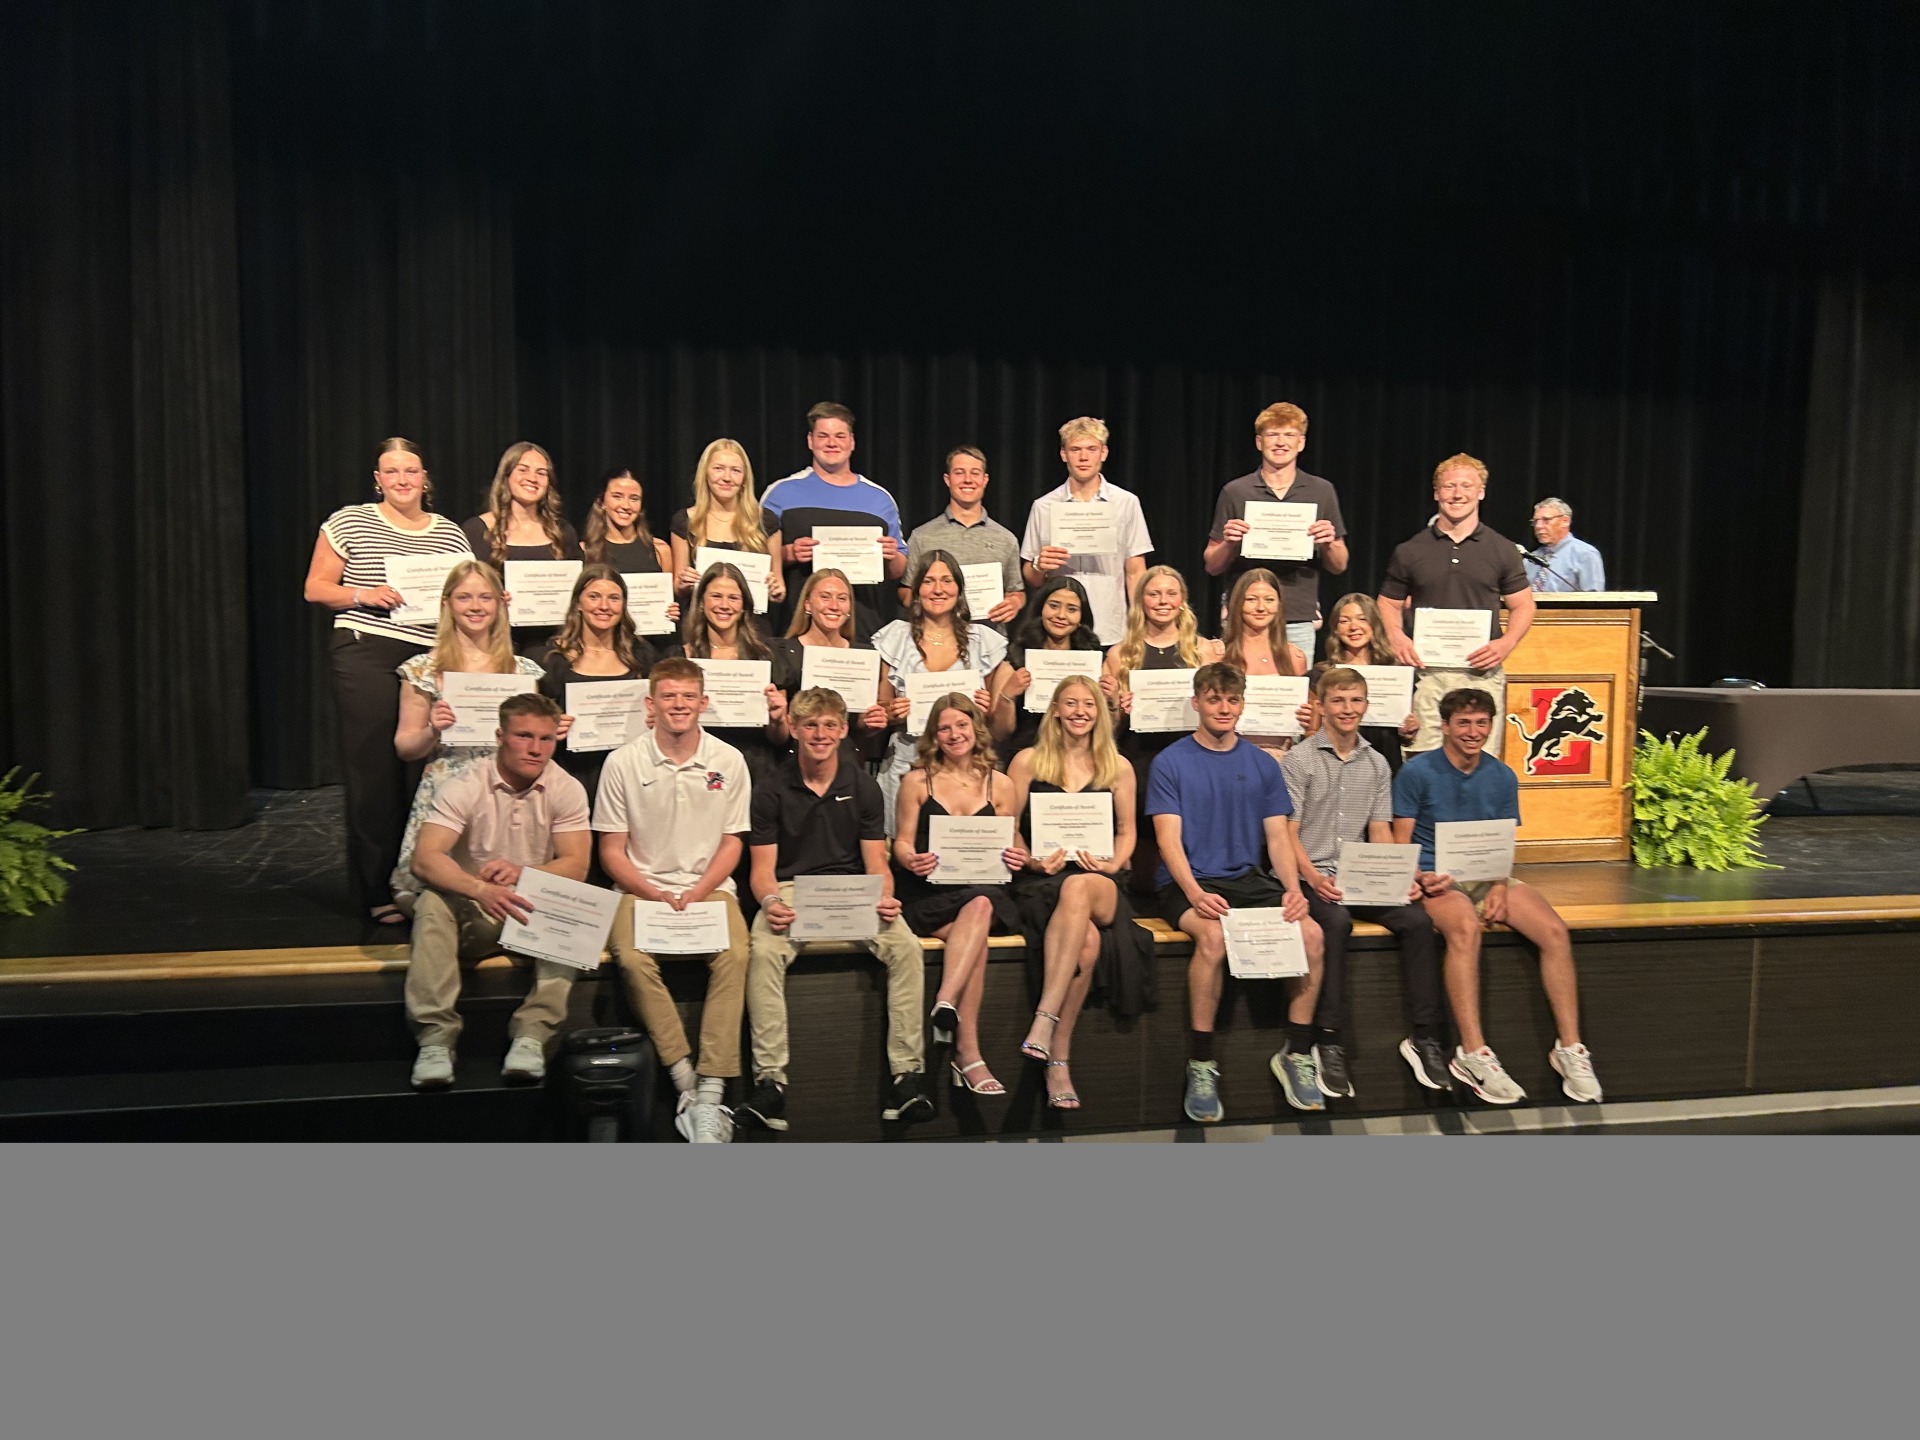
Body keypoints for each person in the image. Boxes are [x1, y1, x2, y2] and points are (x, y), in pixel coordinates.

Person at [1392, 688, 1603, 1105]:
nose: (1473, 732)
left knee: (1555, 932)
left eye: (1481, 723)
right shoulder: (1416, 772)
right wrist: (1421, 875)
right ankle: (1472, 1052)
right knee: (1466, 928)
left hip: (1488, 876)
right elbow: (1401, 844)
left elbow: (1502, 844)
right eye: (1464, 723)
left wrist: (1502, 886)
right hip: (1438, 880)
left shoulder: (1502, 775)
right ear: (1446, 726)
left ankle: (1570, 1048)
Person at [738, 687, 935, 1133]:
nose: (820, 733)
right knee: (764, 949)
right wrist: (769, 901)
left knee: (905, 946)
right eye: (810, 724)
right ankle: (771, 1084)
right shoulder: (770, 789)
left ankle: (907, 1077)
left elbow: (876, 863)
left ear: (844, 730)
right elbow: (762, 872)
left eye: (830, 725)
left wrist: (884, 895)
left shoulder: (863, 787)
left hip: (853, 889)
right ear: (793, 728)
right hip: (792, 889)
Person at [303, 437, 473, 926]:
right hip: (367, 648)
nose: (402, 480)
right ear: (377, 479)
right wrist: (363, 592)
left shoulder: (448, 534)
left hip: (432, 654)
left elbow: (460, 595)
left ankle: (422, 878)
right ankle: (376, 889)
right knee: (374, 770)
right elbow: (315, 588)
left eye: (411, 471)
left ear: (425, 478)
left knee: (426, 770)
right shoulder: (350, 520)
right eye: (391, 471)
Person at [1148, 662, 1327, 1122]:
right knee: (1211, 938)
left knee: (1312, 936)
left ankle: (1297, 1053)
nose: (1223, 708)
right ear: (1197, 703)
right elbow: (1168, 841)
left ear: (1242, 704)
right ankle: (1201, 1062)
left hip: (1248, 880)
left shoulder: (1263, 764)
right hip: (1189, 883)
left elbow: (1277, 837)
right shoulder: (1170, 762)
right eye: (1213, 699)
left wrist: (1293, 889)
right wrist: (1193, 894)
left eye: (1231, 700)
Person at [594, 659, 752, 1144]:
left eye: (688, 697)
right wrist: (655, 892)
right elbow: (610, 852)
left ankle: (711, 1089)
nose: (679, 705)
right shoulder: (622, 762)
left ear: (703, 703)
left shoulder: (729, 760)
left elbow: (733, 842)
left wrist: (698, 891)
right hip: (641, 890)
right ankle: (683, 1076)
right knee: (632, 959)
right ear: (651, 704)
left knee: (738, 955)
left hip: (709, 890)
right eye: (669, 696)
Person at [404, 692, 590, 1090]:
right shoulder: (466, 783)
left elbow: (576, 864)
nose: (535, 748)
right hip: (477, 910)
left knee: (578, 907)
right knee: (433, 902)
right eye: (524, 736)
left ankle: (531, 1037)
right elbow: (425, 858)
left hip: (530, 907)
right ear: (500, 736)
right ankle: (436, 1040)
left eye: (545, 739)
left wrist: (524, 873)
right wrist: (479, 888)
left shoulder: (566, 787)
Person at [1280, 666, 1450, 1100]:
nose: (1347, 709)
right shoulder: (1299, 760)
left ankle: (1426, 1036)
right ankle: (1329, 1039)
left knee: (1416, 921)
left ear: (1366, 706)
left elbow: (1379, 832)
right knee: (1335, 924)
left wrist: (1398, 876)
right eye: (1338, 701)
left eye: (1355, 701)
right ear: (1319, 705)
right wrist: (1314, 878)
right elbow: (1287, 833)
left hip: (1358, 874)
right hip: (1313, 876)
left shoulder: (1376, 763)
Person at [1006, 676, 1155, 1110]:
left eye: (1088, 704)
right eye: (1069, 703)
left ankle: (1043, 1018)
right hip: (1042, 880)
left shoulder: (1118, 767)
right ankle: (1059, 1060)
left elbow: (1127, 832)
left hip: (1101, 881)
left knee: (1080, 886)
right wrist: (1031, 858)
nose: (1079, 711)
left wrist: (1112, 862)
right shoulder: (1027, 762)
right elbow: (1010, 828)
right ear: (1054, 709)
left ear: (1101, 712)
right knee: (1086, 943)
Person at [390, 560, 548, 914]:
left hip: (508, 791)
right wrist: (433, 729)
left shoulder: (521, 671)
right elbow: (405, 747)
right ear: (447, 604)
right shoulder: (423, 669)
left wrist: (552, 732)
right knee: (430, 896)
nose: (475, 607)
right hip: (450, 787)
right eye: (464, 597)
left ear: (499, 604)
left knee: (508, 890)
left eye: (485, 597)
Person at [893, 695, 1028, 1097]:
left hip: (984, 890)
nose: (955, 734)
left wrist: (1019, 853)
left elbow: (1013, 838)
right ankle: (967, 1052)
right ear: (934, 734)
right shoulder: (916, 781)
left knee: (983, 904)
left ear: (976, 729)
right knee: (978, 935)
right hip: (928, 893)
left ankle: (946, 1003)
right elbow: (899, 843)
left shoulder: (1000, 784)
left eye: (962, 725)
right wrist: (911, 859)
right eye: (945, 727)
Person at [1377, 453, 1534, 754]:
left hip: (1481, 676)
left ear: (1481, 492)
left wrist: (1507, 643)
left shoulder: (1502, 549)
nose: (1457, 494)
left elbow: (1524, 605)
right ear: (1436, 493)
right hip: (1428, 674)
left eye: (1466, 486)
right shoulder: (1410, 550)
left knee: (1479, 768)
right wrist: (1396, 636)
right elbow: (1387, 602)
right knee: (1423, 764)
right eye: (1449, 486)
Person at [1101, 565, 1223, 893]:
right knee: (1143, 832)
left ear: (1182, 600)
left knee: (1190, 831)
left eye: (1171, 593)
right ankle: (1144, 898)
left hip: (1191, 756)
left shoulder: (1204, 650)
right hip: (1140, 757)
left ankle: (1188, 892)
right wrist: (1116, 707)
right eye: (1154, 594)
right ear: (1141, 600)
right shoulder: (1119, 654)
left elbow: (1216, 710)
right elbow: (1108, 729)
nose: (1162, 601)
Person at [873, 550, 1006, 832]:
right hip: (908, 763)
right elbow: (879, 711)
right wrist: (893, 712)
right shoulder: (895, 636)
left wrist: (986, 708)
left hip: (967, 772)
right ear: (917, 590)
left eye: (946, 581)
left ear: (959, 590)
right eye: (929, 581)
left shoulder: (983, 641)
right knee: (906, 854)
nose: (938, 589)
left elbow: (996, 723)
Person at [1203, 402, 1349, 656]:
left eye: (1289, 435)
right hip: (1243, 615)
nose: (1280, 442)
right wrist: (1229, 543)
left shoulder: (1321, 491)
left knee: (1293, 689)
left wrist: (1328, 543)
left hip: (1297, 616)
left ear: (1301, 443)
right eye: (1272, 434)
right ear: (1259, 442)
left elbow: (1339, 565)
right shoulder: (1236, 491)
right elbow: (1212, 565)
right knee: (1238, 689)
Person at [763, 402, 907, 634]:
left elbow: (899, 569)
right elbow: (753, 558)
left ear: (852, 442)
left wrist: (891, 557)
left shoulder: (880, 499)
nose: (832, 443)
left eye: (840, 436)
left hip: (863, 628)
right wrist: (787, 553)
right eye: (823, 436)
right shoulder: (780, 493)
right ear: (810, 441)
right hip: (796, 629)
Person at [1020, 416, 1154, 646]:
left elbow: (1135, 571)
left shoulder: (1126, 503)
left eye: (1091, 449)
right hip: (1059, 632)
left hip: (1111, 628)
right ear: (1064, 454)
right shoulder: (1044, 506)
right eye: (1075, 449)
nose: (1083, 457)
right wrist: (1039, 565)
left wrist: (1140, 624)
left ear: (1103, 453)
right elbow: (1032, 577)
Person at [535, 566, 660, 810]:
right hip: (573, 775)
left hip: (634, 778)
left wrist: (658, 717)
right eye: (594, 596)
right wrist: (551, 726)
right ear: (578, 603)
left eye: (614, 598)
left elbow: (660, 706)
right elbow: (535, 722)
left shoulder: (643, 656)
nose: (604, 606)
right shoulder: (552, 659)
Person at [664, 561, 790, 786]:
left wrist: (778, 718)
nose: (724, 605)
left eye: (733, 598)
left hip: (753, 769)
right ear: (701, 602)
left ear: (744, 606)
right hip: (694, 769)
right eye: (716, 596)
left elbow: (779, 737)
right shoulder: (680, 658)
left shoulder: (765, 658)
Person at [461, 442, 584, 656]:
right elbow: (460, 591)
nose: (533, 479)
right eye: (523, 469)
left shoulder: (563, 532)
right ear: (506, 475)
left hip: (555, 646)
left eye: (541, 473)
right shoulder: (476, 530)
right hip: (493, 643)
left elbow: (582, 588)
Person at [768, 567, 889, 762]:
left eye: (842, 598)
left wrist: (869, 724)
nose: (834, 606)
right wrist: (777, 719)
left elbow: (858, 728)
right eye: (825, 597)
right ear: (807, 604)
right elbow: (778, 735)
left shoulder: (865, 656)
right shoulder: (782, 652)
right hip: (792, 763)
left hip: (846, 764)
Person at [903, 446, 1025, 632]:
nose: (968, 480)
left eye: (975, 473)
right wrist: (930, 601)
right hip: (935, 639)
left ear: (985, 480)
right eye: (959, 473)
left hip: (989, 639)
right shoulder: (922, 536)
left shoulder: (1006, 538)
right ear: (947, 479)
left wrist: (1014, 603)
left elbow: (1016, 590)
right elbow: (905, 590)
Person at [985, 575, 1101, 760]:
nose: (1061, 615)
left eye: (1072, 609)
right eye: (1054, 606)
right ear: (1041, 608)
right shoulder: (1014, 659)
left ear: (1081, 617)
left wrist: (1112, 701)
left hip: (1083, 757)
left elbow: (1109, 728)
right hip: (1028, 756)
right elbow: (999, 733)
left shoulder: (1094, 661)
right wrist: (1008, 695)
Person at [1309, 592, 1418, 773]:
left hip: (1385, 763)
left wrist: (1409, 730)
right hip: (1333, 766)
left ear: (1375, 625)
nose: (1354, 627)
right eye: (1345, 621)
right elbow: (1311, 731)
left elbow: (1405, 733)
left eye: (1362, 619)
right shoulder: (1320, 675)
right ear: (1335, 628)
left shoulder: (1398, 675)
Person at [669, 438, 784, 608]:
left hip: (751, 626)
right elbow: (679, 589)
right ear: (705, 473)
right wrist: (683, 584)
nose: (727, 478)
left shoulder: (766, 521)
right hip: (702, 626)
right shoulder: (685, 521)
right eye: (718, 469)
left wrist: (776, 591)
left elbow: (780, 588)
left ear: (745, 477)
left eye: (736, 471)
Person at [1218, 567, 1311, 763]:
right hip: (1230, 756)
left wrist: (1307, 718)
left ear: (1279, 604)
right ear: (1237, 603)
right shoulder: (1219, 653)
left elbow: (1306, 723)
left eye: (1269, 600)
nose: (1261, 608)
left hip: (1282, 759)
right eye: (1251, 599)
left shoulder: (1295, 657)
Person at [582, 467, 676, 581]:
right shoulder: (585, 551)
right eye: (617, 497)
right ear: (601, 502)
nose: (626, 506)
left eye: (634, 499)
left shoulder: (660, 550)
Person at [1524, 497, 1607, 592]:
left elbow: (1594, 600)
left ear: (1565, 521)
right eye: (1535, 521)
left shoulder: (1585, 554)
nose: (1538, 526)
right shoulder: (1530, 560)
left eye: (1546, 520)